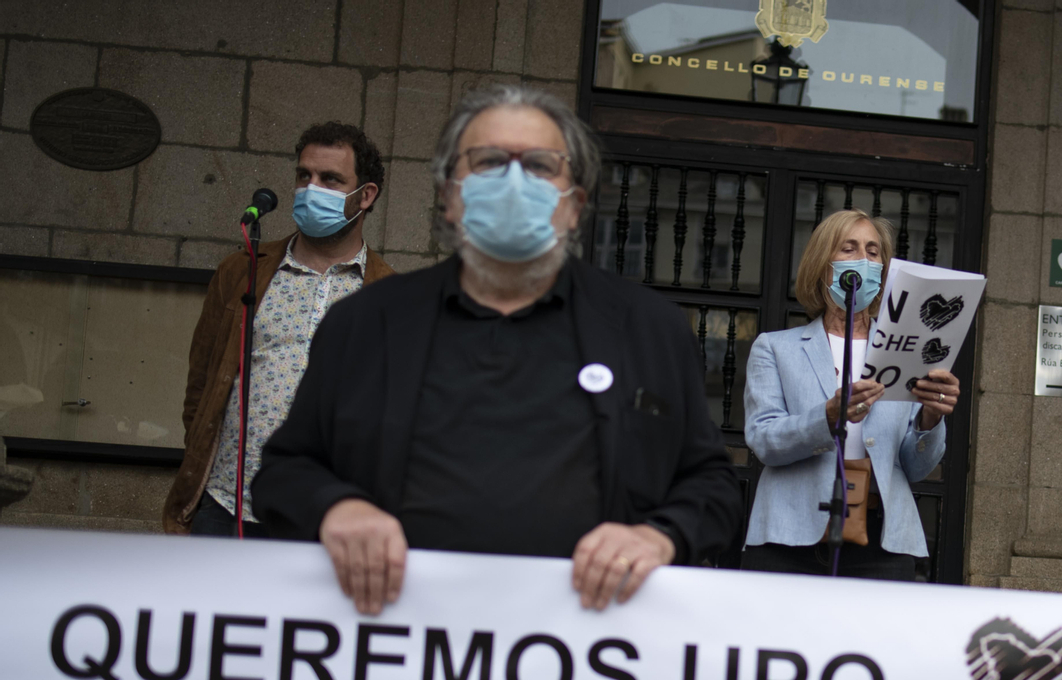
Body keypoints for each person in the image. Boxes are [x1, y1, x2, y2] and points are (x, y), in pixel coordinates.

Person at [253, 84, 741, 614]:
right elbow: (284, 473)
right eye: (487, 162)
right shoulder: (366, 323)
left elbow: (713, 488)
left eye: (538, 166)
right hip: (397, 648)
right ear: (449, 195)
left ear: (574, 204)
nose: (512, 182)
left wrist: (659, 536)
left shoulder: (650, 329)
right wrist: (336, 508)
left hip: (586, 649)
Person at [165, 121, 394, 537]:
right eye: (304, 175)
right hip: (226, 505)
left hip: (328, 519)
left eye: (330, 179)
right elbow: (201, 386)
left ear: (366, 195)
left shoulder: (389, 295)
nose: (311, 188)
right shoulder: (243, 272)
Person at [740, 208, 959, 580]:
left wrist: (931, 417)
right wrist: (826, 417)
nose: (863, 259)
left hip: (881, 537)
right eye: (849, 248)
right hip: (789, 536)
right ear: (823, 265)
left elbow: (917, 468)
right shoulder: (776, 348)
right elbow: (764, 441)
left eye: (873, 252)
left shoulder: (907, 348)